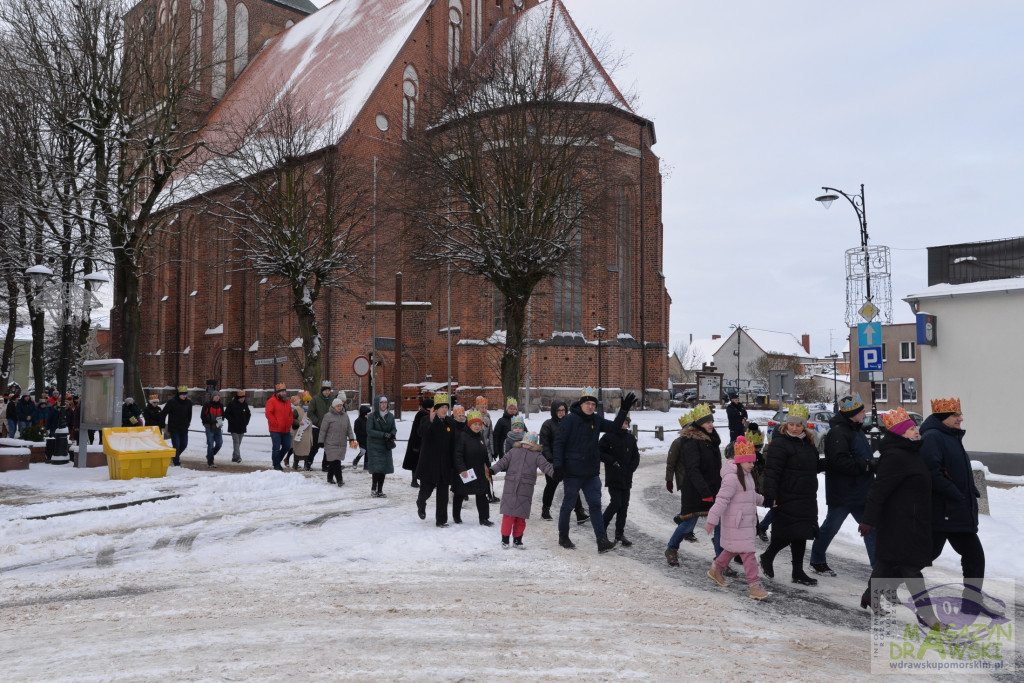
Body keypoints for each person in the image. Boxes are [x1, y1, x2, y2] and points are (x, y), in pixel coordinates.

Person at [858, 407, 935, 623]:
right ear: (900, 433)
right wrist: (868, 520)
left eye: (915, 427)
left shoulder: (911, 453)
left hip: (912, 520)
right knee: (910, 568)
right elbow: (878, 490)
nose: (916, 431)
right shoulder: (895, 456)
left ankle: (869, 596)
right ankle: (927, 614)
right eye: (911, 429)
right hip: (898, 523)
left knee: (885, 563)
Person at [920, 397, 992, 614]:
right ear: (943, 418)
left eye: (960, 414)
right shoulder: (933, 437)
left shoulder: (949, 436)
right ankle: (878, 585)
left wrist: (968, 492)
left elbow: (951, 470)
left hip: (954, 510)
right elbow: (931, 473)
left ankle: (971, 603)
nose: (961, 419)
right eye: (956, 415)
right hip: (944, 511)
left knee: (972, 556)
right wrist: (956, 494)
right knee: (924, 556)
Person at [553, 387, 636, 552]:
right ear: (581, 403)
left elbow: (614, 427)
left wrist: (624, 410)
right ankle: (563, 536)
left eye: (593, 404)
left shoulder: (596, 420)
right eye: (588, 403)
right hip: (573, 472)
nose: (591, 407)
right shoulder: (569, 420)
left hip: (591, 472)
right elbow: (559, 443)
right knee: (568, 505)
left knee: (595, 505)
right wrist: (558, 466)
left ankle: (602, 541)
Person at [810, 394, 877, 576]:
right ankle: (817, 559)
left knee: (871, 527)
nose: (865, 414)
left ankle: (879, 569)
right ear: (852, 414)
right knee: (830, 527)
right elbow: (839, 462)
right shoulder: (839, 432)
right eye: (861, 411)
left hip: (860, 490)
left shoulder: (855, 429)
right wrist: (868, 465)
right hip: (844, 492)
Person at [760, 404, 825, 587]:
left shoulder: (808, 443)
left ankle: (797, 572)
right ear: (786, 424)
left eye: (798, 425)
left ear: (804, 425)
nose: (795, 428)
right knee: (787, 533)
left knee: (802, 533)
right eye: (791, 424)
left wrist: (828, 463)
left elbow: (812, 466)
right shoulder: (779, 443)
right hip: (787, 495)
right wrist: (770, 495)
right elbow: (772, 471)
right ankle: (768, 556)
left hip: (806, 495)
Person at [705, 437, 771, 601]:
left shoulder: (746, 474)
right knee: (748, 554)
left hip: (745, 522)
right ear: (739, 461)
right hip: (737, 523)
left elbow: (750, 495)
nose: (752, 464)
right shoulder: (732, 478)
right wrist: (712, 519)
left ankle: (715, 569)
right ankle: (754, 586)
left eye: (753, 461)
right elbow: (721, 500)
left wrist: (765, 501)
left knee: (732, 549)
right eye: (749, 461)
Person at [664, 404, 726, 569]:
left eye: (711, 421)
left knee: (719, 524)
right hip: (695, 490)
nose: (710, 424)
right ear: (698, 424)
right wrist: (704, 491)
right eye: (706, 422)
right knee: (688, 524)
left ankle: (720, 560)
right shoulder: (690, 441)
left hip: (713, 488)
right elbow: (693, 469)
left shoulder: (711, 440)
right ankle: (672, 547)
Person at [490, 431, 554, 548]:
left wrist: (555, 474)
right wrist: (492, 470)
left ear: (534, 445)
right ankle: (505, 539)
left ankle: (517, 540)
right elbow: (503, 462)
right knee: (508, 516)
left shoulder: (537, 456)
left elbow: (546, 466)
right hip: (511, 487)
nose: (526, 446)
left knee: (521, 517)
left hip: (525, 489)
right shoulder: (513, 451)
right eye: (524, 443)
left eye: (529, 444)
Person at [540, 400, 586, 522]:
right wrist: (551, 460)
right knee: (551, 485)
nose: (561, 413)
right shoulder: (548, 425)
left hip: (568, 461)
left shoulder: (570, 423)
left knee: (573, 486)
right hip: (553, 462)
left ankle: (579, 512)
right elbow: (544, 445)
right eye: (559, 410)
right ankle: (546, 509)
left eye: (563, 410)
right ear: (554, 411)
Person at [415, 392, 457, 524]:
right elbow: (421, 433)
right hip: (430, 463)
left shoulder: (450, 422)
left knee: (443, 493)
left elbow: (455, 441)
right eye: (442, 407)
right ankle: (421, 503)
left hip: (445, 463)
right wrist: (431, 420)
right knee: (426, 490)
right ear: (435, 409)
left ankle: (441, 520)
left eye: (446, 407)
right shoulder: (426, 420)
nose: (445, 409)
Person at [600, 413, 640, 547]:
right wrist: (611, 461)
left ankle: (619, 533)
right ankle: (602, 528)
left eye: (626, 423)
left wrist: (631, 468)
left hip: (627, 478)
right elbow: (599, 452)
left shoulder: (630, 438)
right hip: (614, 476)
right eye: (622, 422)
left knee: (624, 507)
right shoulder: (608, 437)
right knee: (616, 503)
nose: (624, 425)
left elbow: (636, 456)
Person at [452, 409, 493, 526]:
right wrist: (462, 469)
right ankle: (456, 516)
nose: (477, 426)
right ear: (470, 424)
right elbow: (458, 454)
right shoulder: (462, 436)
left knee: (482, 494)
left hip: (479, 471)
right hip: (466, 471)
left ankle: (484, 518)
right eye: (475, 424)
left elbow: (484, 453)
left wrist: (487, 466)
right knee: (460, 493)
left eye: (479, 424)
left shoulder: (480, 436)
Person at [665, 411, 697, 544]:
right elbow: (671, 462)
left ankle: (681, 519)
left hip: (696, 479)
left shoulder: (696, 442)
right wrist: (669, 480)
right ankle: (687, 530)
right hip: (684, 479)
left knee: (695, 506)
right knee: (689, 506)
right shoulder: (677, 443)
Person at [319, 397, 357, 487]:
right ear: (333, 406)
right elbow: (323, 430)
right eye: (337, 406)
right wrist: (320, 441)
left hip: (341, 443)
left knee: (334, 461)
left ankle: (329, 477)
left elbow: (349, 429)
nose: (339, 407)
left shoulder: (345, 416)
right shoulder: (328, 416)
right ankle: (340, 480)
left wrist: (351, 438)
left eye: (341, 405)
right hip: (330, 443)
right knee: (336, 462)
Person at [365, 395, 397, 498]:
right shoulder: (372, 416)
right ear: (377, 404)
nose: (384, 405)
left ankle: (380, 490)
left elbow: (393, 428)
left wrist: (392, 434)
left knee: (383, 468)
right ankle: (373, 489)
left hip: (385, 445)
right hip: (374, 445)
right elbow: (369, 431)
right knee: (377, 468)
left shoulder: (390, 416)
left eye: (385, 403)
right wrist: (383, 434)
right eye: (382, 403)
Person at [402, 396, 433, 487]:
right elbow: (416, 431)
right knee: (416, 463)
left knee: (423, 463)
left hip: (423, 443)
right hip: (418, 443)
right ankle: (414, 480)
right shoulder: (421, 415)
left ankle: (425, 480)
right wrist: (415, 445)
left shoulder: (426, 414)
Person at [306, 380, 337, 472]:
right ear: (322, 390)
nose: (327, 392)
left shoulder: (332, 399)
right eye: (325, 390)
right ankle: (308, 462)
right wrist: (319, 422)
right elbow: (310, 413)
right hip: (318, 426)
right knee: (316, 446)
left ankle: (325, 465)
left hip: (329, 427)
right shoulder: (315, 399)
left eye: (328, 390)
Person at [162, 386, 193, 466]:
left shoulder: (188, 403)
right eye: (183, 394)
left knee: (184, 444)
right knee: (176, 445)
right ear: (179, 394)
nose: (184, 396)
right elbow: (163, 413)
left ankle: (174, 456)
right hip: (174, 428)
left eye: (185, 394)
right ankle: (176, 462)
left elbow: (189, 415)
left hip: (184, 428)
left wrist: (187, 424)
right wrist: (162, 425)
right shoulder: (172, 402)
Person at [265, 383, 293, 471]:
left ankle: (276, 461)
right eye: (282, 392)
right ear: (278, 393)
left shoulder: (288, 402)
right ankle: (276, 465)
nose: (284, 393)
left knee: (287, 446)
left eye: (285, 391)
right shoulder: (271, 401)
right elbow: (268, 414)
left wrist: (289, 422)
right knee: (276, 448)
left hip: (286, 429)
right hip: (275, 429)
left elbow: (290, 414)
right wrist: (276, 423)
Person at [223, 391, 251, 463]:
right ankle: (238, 457)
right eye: (241, 398)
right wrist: (232, 421)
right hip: (234, 427)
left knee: (239, 443)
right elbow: (226, 414)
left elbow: (248, 414)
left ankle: (234, 457)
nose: (242, 399)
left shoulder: (245, 405)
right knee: (236, 441)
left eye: (243, 398)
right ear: (238, 398)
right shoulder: (232, 404)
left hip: (242, 427)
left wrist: (246, 422)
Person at [200, 392, 225, 467]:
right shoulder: (207, 404)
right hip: (209, 427)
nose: (217, 397)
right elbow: (203, 416)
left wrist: (220, 422)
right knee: (210, 444)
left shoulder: (220, 405)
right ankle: (210, 462)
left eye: (218, 396)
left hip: (217, 427)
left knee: (219, 443)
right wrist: (209, 422)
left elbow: (222, 415)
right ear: (213, 397)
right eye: (216, 396)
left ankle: (209, 455)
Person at [290, 395, 315, 470]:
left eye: (310, 402)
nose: (309, 403)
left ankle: (306, 465)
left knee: (308, 448)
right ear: (304, 402)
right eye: (307, 401)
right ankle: (295, 463)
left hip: (308, 433)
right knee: (298, 448)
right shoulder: (297, 409)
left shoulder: (312, 410)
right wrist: (298, 422)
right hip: (299, 432)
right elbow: (292, 419)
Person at [353, 404, 371, 468]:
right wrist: (364, 433)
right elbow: (356, 431)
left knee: (367, 452)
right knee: (363, 451)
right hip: (361, 440)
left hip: (368, 439)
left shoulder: (368, 420)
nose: (368, 414)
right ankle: (356, 460)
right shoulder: (358, 421)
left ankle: (366, 465)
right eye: (367, 413)